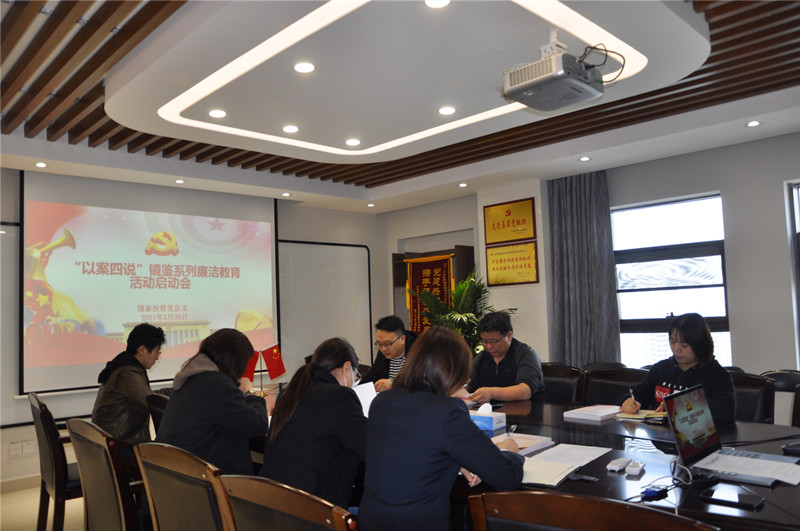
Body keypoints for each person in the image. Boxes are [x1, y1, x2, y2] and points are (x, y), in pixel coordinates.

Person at [359, 326, 524, 531]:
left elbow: (407, 452)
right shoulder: (447, 411)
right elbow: (507, 477)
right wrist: (510, 451)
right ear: (454, 370)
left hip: (371, 521)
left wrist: (455, 458)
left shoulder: (382, 401)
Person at [260, 337, 367, 508]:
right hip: (314, 508)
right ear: (347, 367)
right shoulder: (339, 396)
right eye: (356, 375)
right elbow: (368, 445)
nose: (354, 381)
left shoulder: (289, 394)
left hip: (274, 502)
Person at [156, 328, 269, 474]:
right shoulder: (215, 384)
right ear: (235, 361)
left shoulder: (192, 376)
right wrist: (250, 393)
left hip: (176, 472)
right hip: (200, 476)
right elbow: (258, 425)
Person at [621, 313, 736, 421]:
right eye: (672, 342)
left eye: (684, 345)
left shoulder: (718, 376)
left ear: (700, 345)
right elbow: (638, 394)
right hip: (658, 433)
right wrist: (629, 402)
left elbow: (726, 412)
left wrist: (679, 405)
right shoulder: (661, 369)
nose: (676, 349)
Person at [92, 323, 168, 445]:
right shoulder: (128, 373)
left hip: (113, 442)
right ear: (142, 350)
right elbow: (152, 403)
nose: (157, 358)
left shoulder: (123, 366)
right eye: (157, 352)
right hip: (120, 447)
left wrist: (176, 390)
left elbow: (150, 396)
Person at [467, 312, 545, 403]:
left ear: (509, 336)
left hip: (526, 410)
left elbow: (525, 391)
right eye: (484, 341)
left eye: (493, 341)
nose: (488, 346)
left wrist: (491, 393)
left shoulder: (526, 354)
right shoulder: (482, 357)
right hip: (491, 410)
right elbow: (469, 384)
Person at [361, 315, 418, 392]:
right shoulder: (383, 354)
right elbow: (371, 376)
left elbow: (420, 382)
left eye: (388, 344)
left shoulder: (417, 352)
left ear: (402, 339)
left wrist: (393, 384)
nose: (383, 349)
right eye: (379, 344)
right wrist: (357, 378)